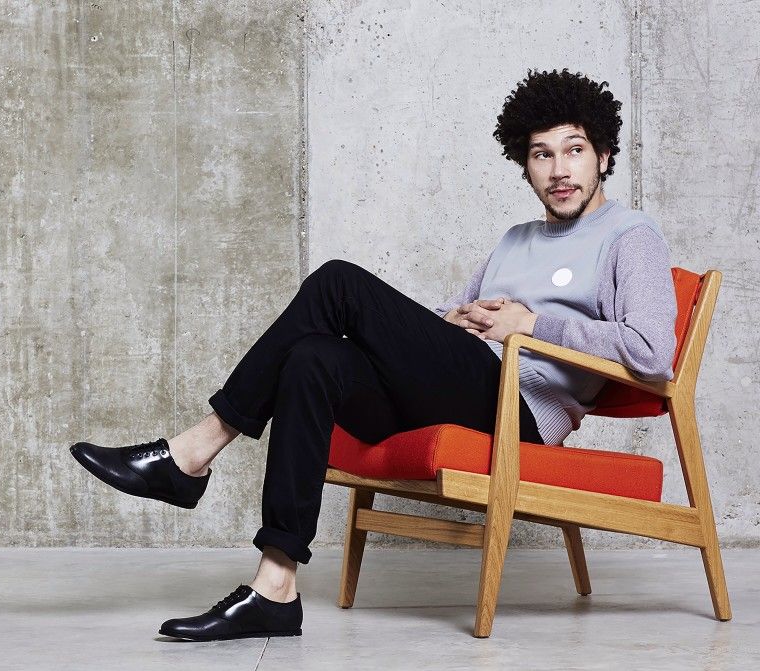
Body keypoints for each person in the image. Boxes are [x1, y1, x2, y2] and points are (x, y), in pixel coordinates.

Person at [68, 67, 678, 642]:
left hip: (519, 412)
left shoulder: (630, 237)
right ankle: (275, 588)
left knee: (338, 282)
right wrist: (452, 320)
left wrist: (531, 325)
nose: (559, 170)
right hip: (465, 385)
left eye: (574, 150)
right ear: (525, 165)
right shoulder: (515, 239)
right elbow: (452, 318)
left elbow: (653, 353)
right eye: (542, 155)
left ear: (603, 155)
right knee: (312, 358)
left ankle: (193, 452)